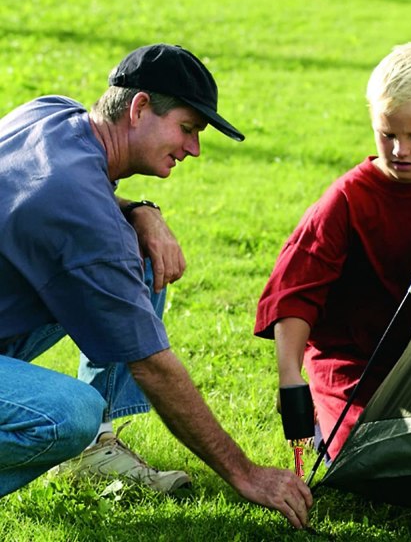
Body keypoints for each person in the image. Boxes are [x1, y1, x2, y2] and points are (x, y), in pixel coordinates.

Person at [0, 43, 312, 529]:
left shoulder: (50, 115)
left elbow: (61, 198)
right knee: (70, 413)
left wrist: (139, 210)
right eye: (187, 128)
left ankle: (94, 453)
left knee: (141, 256)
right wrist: (245, 473)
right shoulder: (84, 219)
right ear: (140, 108)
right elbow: (154, 368)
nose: (194, 148)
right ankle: (87, 435)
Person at [254, 41, 411, 462]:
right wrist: (288, 377)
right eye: (387, 134)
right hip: (355, 364)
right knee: (377, 455)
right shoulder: (346, 199)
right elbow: (295, 294)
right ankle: (324, 423)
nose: (399, 150)